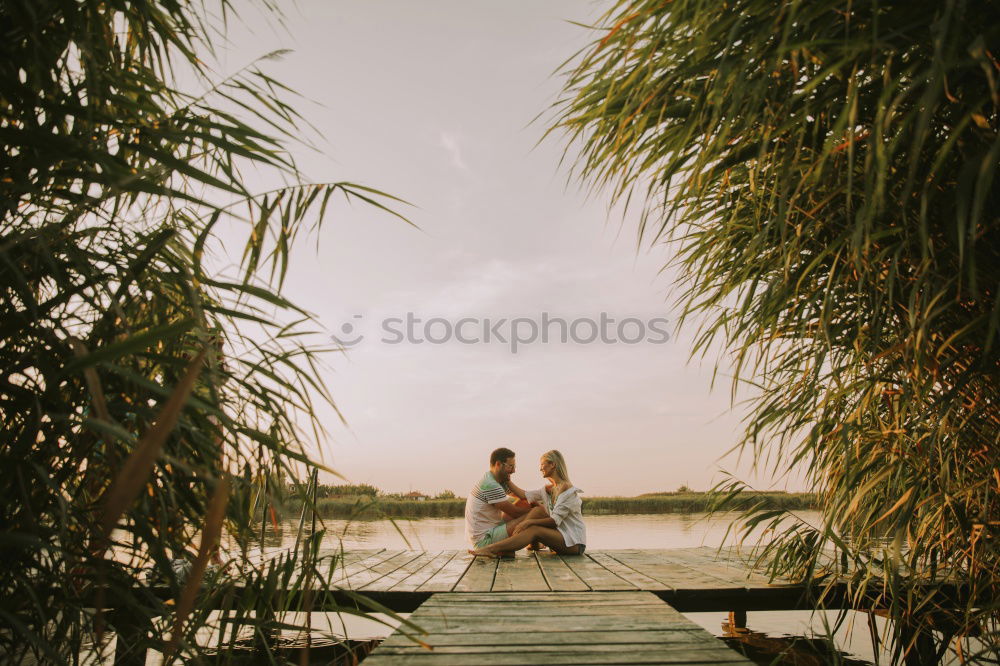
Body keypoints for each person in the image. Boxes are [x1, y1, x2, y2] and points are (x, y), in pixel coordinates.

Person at [469, 450, 586, 557]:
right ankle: (521, 546)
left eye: (542, 464)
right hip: (561, 539)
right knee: (533, 508)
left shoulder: (567, 490)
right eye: (511, 466)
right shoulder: (548, 490)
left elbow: (555, 521)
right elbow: (524, 495)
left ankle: (492, 548)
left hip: (574, 543)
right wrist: (508, 479)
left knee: (534, 526)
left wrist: (528, 523)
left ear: (552, 465)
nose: (540, 468)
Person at [464, 447, 534, 550]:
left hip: (491, 530)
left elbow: (522, 496)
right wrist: (539, 511)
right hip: (483, 542)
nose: (514, 471)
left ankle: (533, 544)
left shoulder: (495, 479)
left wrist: (508, 481)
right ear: (498, 464)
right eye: (510, 466)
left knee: (525, 504)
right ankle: (538, 539)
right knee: (534, 514)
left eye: (514, 467)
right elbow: (515, 513)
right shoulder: (490, 485)